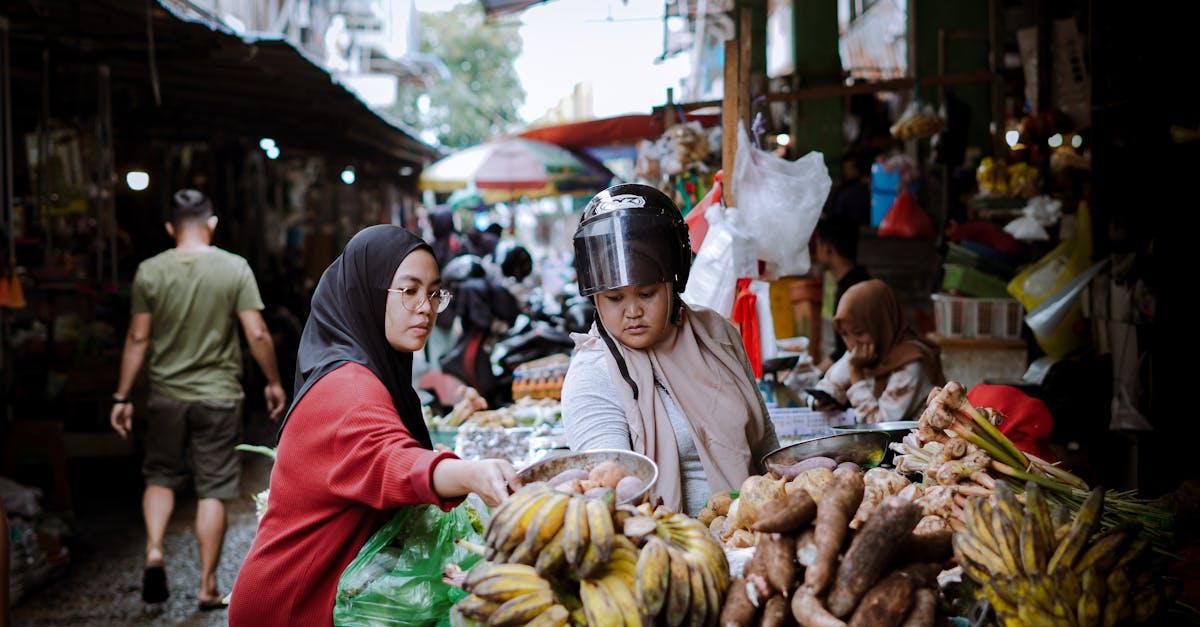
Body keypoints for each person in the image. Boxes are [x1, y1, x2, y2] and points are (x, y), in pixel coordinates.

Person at [229, 226, 516, 626]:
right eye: (409, 291)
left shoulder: (371, 368)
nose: (426, 307)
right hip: (293, 601)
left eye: (434, 292)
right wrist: (469, 472)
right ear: (365, 292)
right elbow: (388, 460)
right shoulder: (349, 386)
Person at [109, 189, 287, 608]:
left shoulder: (150, 271)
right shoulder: (234, 268)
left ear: (171, 228)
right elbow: (257, 332)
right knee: (214, 487)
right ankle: (207, 586)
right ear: (212, 224)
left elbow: (138, 337)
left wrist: (121, 395)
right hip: (219, 396)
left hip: (166, 395)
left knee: (160, 475)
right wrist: (274, 381)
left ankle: (154, 549)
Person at [561, 184, 778, 517]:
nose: (631, 312)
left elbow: (765, 449)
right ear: (595, 298)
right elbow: (609, 496)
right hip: (667, 549)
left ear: (673, 284)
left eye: (647, 294)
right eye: (614, 299)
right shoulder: (592, 374)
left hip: (750, 532)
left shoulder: (715, 335)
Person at [813, 280, 945, 423]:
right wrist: (820, 401)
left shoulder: (911, 364)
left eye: (859, 332)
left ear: (880, 326)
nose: (852, 343)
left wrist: (856, 374)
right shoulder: (863, 354)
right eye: (844, 334)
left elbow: (878, 423)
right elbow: (828, 387)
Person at [812, 215, 871, 371]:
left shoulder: (852, 291)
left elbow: (847, 350)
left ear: (829, 249)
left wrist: (816, 374)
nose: (816, 251)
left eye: (818, 244)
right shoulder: (856, 280)